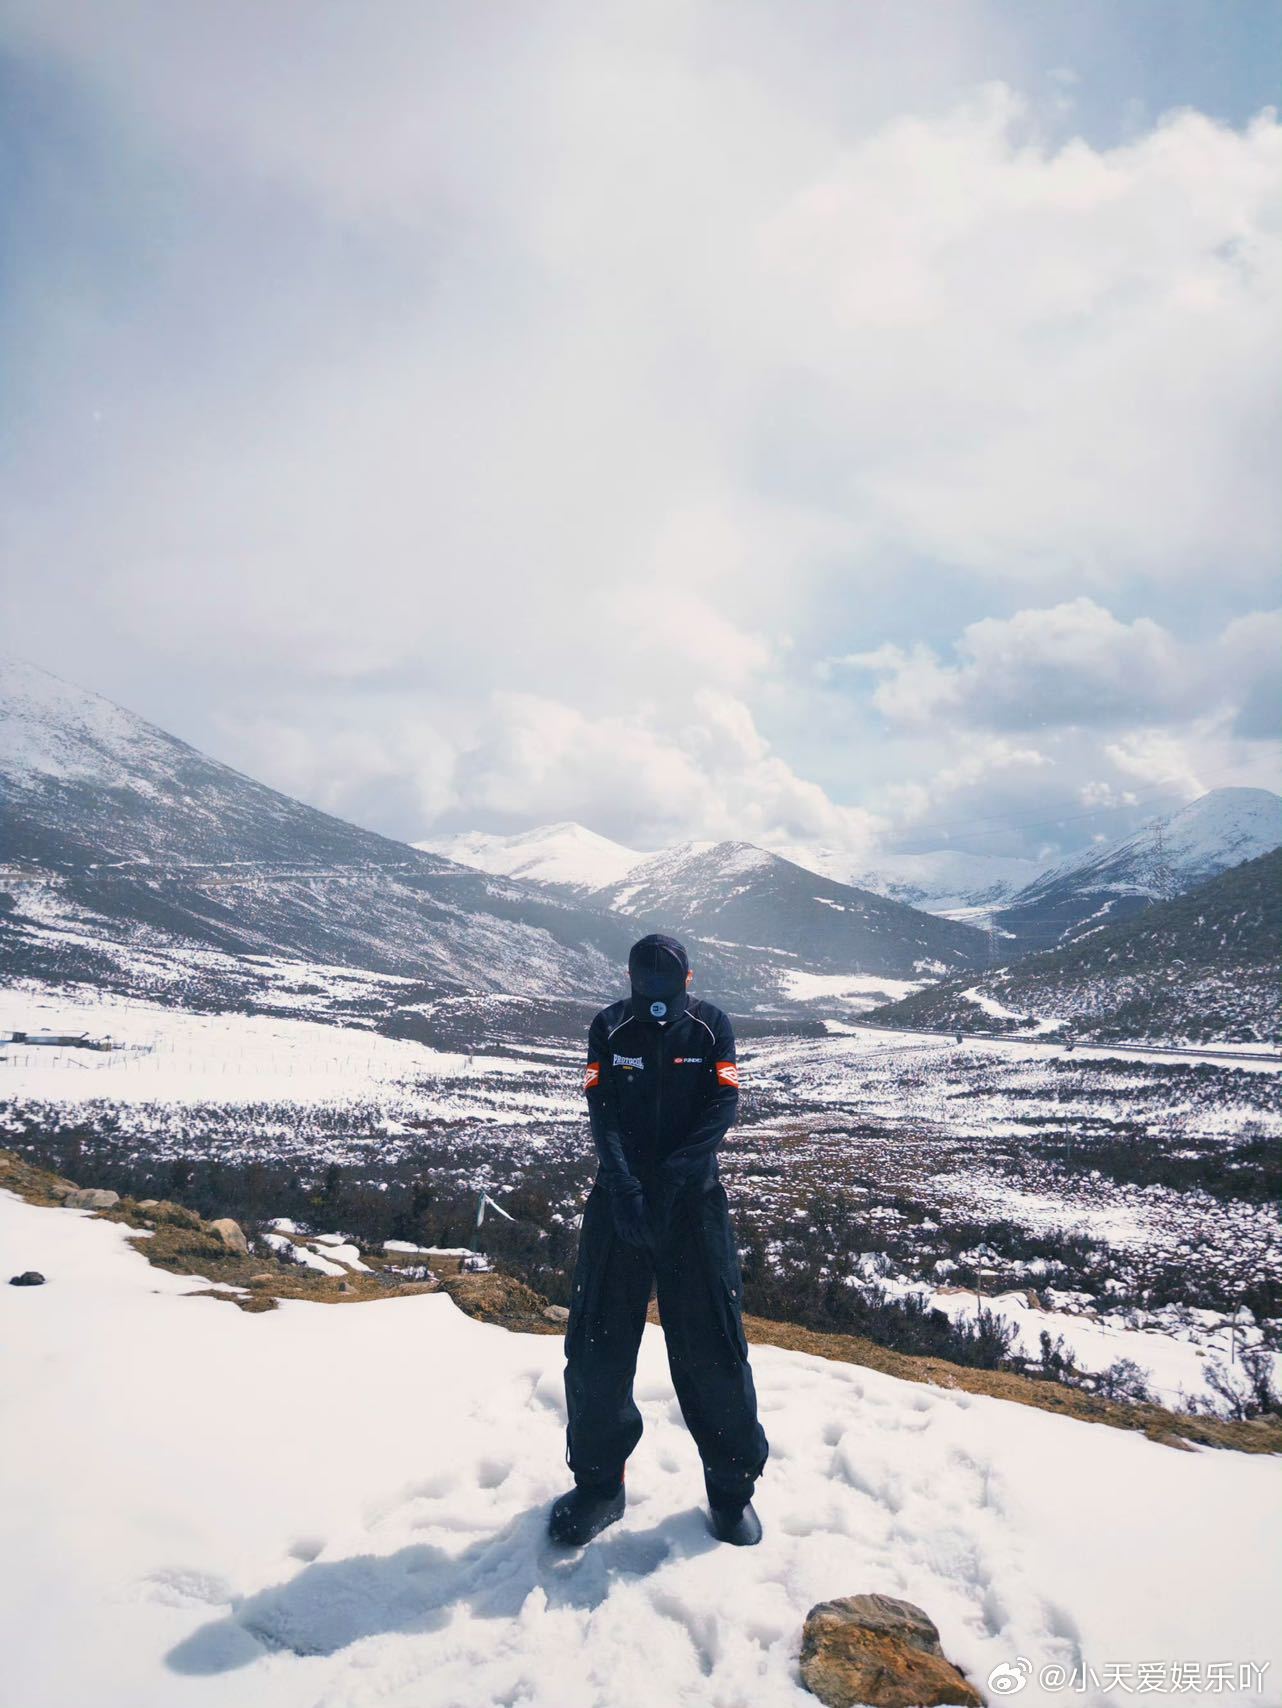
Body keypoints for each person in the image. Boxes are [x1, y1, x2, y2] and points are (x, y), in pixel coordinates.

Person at [548, 933, 770, 1547]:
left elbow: (722, 1107)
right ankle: (599, 1484)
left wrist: (672, 1180)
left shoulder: (711, 1028)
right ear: (629, 979)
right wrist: (623, 1186)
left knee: (713, 1347)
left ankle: (730, 1490)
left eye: (664, 982)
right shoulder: (609, 1027)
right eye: (645, 982)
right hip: (620, 1203)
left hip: (692, 1206)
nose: (654, 992)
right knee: (597, 1345)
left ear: (687, 981)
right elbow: (602, 1111)